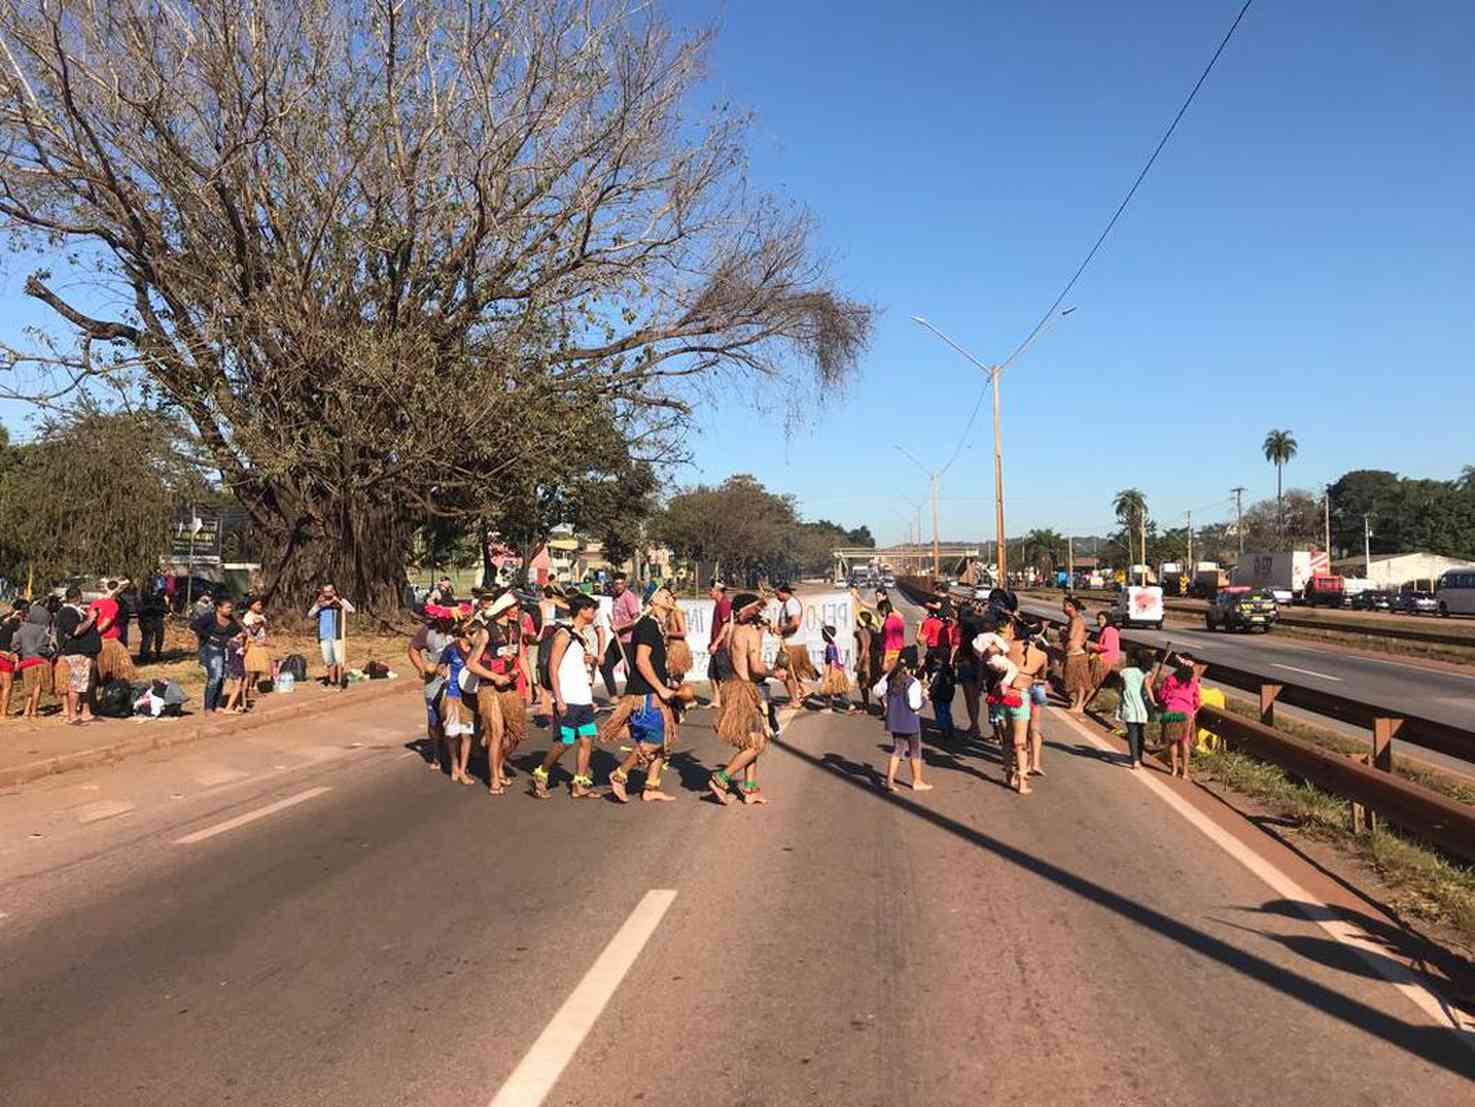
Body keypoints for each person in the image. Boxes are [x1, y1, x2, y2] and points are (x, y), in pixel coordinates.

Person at [599, 587, 678, 803]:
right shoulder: (648, 625)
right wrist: (660, 689)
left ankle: (651, 787)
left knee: (661, 741)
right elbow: (642, 661)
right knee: (653, 740)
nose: (669, 596)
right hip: (646, 694)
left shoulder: (657, 627)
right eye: (663, 594)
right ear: (652, 601)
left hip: (654, 692)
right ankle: (620, 774)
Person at [710, 592, 777, 805]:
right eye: (755, 608)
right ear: (744, 609)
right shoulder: (749, 633)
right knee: (757, 744)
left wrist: (763, 630)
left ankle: (749, 789)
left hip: (733, 687)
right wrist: (776, 673)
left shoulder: (730, 630)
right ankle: (721, 778)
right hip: (748, 690)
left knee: (749, 741)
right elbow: (756, 668)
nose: (758, 611)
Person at [531, 594, 600, 799]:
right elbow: (553, 667)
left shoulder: (582, 635)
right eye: (591, 609)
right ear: (581, 610)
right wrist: (558, 698)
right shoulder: (563, 634)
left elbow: (580, 665)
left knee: (587, 738)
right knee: (566, 741)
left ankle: (579, 783)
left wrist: (590, 660)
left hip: (583, 697)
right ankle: (541, 773)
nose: (594, 613)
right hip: (568, 697)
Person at [407, 606, 457, 773]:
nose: (447, 622)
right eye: (444, 619)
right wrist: (421, 668)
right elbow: (413, 649)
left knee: (460, 718)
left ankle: (460, 755)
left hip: (457, 680)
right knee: (435, 721)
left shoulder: (459, 629)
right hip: (434, 682)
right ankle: (436, 753)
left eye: (450, 619)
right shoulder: (427, 631)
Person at [874, 657, 932, 793]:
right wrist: (924, 698)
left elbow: (877, 691)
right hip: (910, 721)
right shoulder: (913, 682)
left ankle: (889, 780)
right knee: (915, 751)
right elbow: (915, 705)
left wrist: (886, 676)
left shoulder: (889, 681)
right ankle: (917, 781)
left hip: (895, 721)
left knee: (898, 750)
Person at [55, 585, 101, 725]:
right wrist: (91, 619)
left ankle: (86, 713)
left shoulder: (76, 611)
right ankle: (72, 715)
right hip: (77, 652)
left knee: (85, 684)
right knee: (76, 684)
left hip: (85, 652)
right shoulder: (68, 611)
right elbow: (76, 630)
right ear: (78, 597)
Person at [192, 596, 243, 714]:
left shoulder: (230, 619)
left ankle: (218, 705)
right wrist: (208, 636)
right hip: (210, 649)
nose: (230, 609)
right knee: (215, 677)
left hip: (224, 650)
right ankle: (208, 707)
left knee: (222, 678)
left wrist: (239, 636)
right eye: (228, 607)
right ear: (219, 608)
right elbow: (194, 626)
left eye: (231, 607)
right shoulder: (210, 617)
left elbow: (237, 630)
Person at [1156, 653, 1202, 781]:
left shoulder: (1170, 679)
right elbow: (1197, 701)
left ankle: (1174, 769)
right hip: (1186, 713)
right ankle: (1185, 772)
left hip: (1171, 712)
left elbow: (1162, 696)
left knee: (1172, 742)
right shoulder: (1193, 683)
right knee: (1185, 742)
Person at [773, 582, 818, 706]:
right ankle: (804, 690)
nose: (776, 597)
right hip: (791, 642)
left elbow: (795, 623)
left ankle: (795, 700)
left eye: (777, 594)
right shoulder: (788, 603)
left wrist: (781, 630)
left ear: (783, 592)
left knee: (784, 672)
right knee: (789, 672)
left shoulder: (791, 603)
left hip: (792, 644)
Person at [599, 571, 640, 697]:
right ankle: (613, 696)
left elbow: (637, 619)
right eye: (616, 584)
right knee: (605, 666)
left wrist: (620, 626)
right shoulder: (615, 598)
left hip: (628, 640)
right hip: (617, 639)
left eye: (621, 584)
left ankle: (634, 695)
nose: (619, 586)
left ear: (625, 584)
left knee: (630, 671)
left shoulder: (629, 597)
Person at [307, 584, 355, 688]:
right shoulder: (320, 604)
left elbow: (351, 610)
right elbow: (310, 614)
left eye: (330, 591)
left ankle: (339, 680)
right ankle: (331, 681)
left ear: (334, 591)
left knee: (339, 659)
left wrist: (337, 601)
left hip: (337, 635)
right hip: (324, 635)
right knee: (328, 660)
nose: (328, 594)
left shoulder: (341, 601)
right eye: (325, 592)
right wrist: (320, 604)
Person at [1117, 647, 1157, 770]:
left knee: (1132, 732)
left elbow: (1122, 689)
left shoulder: (1125, 672)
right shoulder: (1145, 673)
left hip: (1129, 704)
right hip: (1141, 706)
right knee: (1140, 733)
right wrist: (1153, 702)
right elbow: (1148, 688)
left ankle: (1134, 759)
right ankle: (1139, 757)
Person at [89, 580, 135, 683]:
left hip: (97, 641)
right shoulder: (112, 604)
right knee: (121, 670)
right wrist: (96, 633)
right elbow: (105, 624)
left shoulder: (94, 604)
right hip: (109, 640)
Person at [16, 602, 54, 719]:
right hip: (40, 660)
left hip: (27, 661)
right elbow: (42, 647)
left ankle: (26, 711)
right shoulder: (43, 630)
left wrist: (20, 651)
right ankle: (34, 711)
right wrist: (50, 652)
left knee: (28, 687)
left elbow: (15, 645)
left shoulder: (21, 629)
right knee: (37, 687)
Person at [240, 596, 271, 711]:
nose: (260, 606)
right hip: (253, 644)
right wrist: (257, 624)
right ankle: (249, 689)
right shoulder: (248, 617)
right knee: (251, 669)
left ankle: (255, 687)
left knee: (259, 669)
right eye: (257, 604)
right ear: (251, 605)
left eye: (260, 604)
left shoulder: (261, 615)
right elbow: (250, 631)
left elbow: (266, 627)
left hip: (261, 644)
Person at [1086, 610, 1123, 706]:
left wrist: (1093, 647)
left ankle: (1083, 703)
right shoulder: (1111, 630)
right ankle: (1085, 703)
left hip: (1105, 660)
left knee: (1094, 683)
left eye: (1102, 619)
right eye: (1098, 619)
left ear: (1107, 620)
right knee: (1095, 683)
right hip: (1108, 659)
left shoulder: (1109, 630)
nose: (1099, 621)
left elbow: (1107, 646)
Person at [1061, 596, 1091, 714]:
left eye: (1066, 606)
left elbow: (1071, 636)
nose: (1063, 608)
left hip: (1076, 653)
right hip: (1073, 653)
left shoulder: (1076, 620)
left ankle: (1079, 705)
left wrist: (1063, 632)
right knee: (1074, 680)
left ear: (1072, 607)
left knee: (1079, 680)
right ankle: (1076, 703)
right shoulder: (1074, 619)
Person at [706, 581, 732, 711]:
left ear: (718, 591)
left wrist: (716, 643)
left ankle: (729, 700)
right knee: (712, 674)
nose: (710, 592)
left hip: (722, 647)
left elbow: (726, 626)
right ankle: (717, 700)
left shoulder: (724, 604)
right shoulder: (718, 605)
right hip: (716, 646)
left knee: (725, 676)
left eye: (712, 590)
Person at [0, 601, 25, 720]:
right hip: (6, 657)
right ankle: (3, 713)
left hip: (2, 656)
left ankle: (2, 711)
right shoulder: (11, 626)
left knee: (2, 686)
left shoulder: (4, 623)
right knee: (7, 686)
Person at [817, 625, 850, 712]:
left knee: (826, 691)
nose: (822, 637)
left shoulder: (830, 646)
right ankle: (850, 705)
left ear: (827, 636)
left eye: (823, 635)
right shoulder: (835, 644)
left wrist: (830, 674)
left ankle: (828, 708)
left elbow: (832, 659)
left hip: (832, 669)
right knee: (838, 691)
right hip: (838, 669)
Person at [853, 611, 879, 714]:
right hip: (869, 659)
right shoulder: (868, 630)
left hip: (864, 660)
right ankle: (877, 705)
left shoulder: (861, 632)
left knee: (864, 684)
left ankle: (866, 706)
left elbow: (864, 648)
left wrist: (859, 663)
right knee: (870, 684)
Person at [928, 649, 957, 740]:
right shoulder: (949, 669)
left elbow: (934, 682)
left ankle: (943, 728)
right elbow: (953, 681)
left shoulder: (936, 669)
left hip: (938, 694)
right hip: (948, 694)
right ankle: (949, 727)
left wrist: (931, 691)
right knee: (947, 711)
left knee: (940, 711)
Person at [663, 594, 693, 682]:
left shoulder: (677, 612)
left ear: (673, 599)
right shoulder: (668, 614)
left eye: (668, 598)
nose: (666, 600)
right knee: (671, 679)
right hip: (671, 647)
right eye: (665, 598)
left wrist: (668, 633)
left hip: (678, 648)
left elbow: (683, 633)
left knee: (676, 680)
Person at [138, 582, 168, 663]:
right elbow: (140, 610)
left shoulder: (159, 599)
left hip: (157, 620)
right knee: (147, 639)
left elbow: (166, 610)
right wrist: (151, 608)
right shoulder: (143, 599)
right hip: (147, 621)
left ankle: (157, 654)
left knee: (159, 638)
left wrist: (157, 608)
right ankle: (144, 656)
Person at [878, 599, 906, 671]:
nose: (880, 614)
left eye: (880, 611)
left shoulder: (888, 623)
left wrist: (885, 661)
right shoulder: (899, 620)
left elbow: (888, 642)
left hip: (890, 653)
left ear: (884, 610)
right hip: (900, 652)